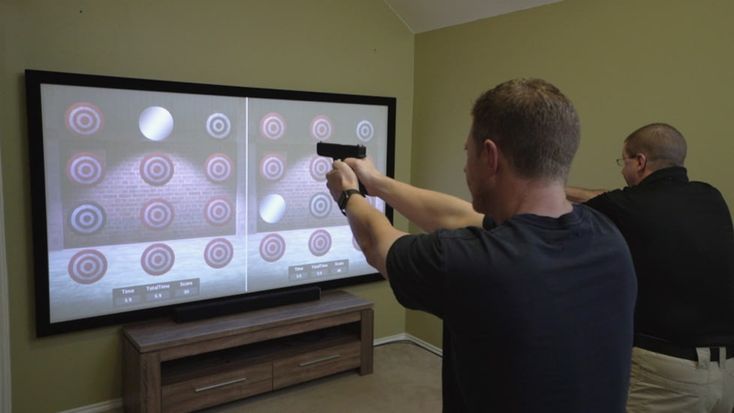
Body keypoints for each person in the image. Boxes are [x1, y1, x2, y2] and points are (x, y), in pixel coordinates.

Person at [325, 78, 637, 412]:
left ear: (490, 156)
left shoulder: (472, 262)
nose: (465, 165)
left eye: (467, 153)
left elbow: (375, 243)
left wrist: (347, 194)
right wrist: (378, 184)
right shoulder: (606, 234)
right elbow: (457, 216)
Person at [567, 123, 734, 413]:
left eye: (624, 161)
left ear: (640, 161)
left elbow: (598, 201)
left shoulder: (629, 206)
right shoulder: (711, 197)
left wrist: (552, 186)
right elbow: (614, 198)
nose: (622, 170)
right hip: (728, 374)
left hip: (668, 375)